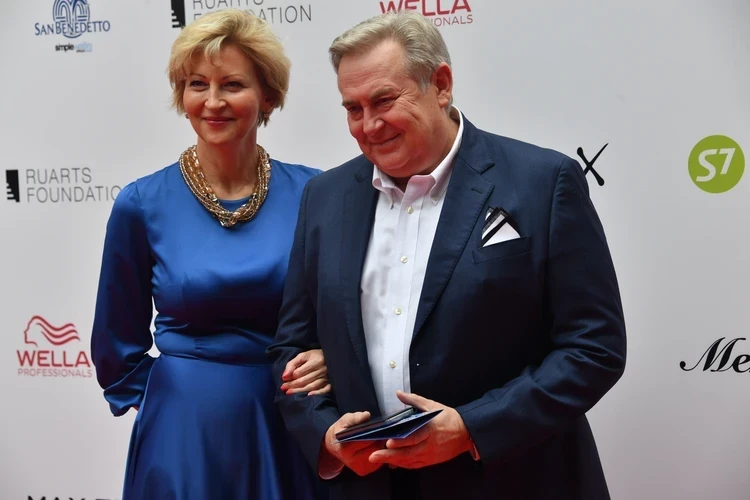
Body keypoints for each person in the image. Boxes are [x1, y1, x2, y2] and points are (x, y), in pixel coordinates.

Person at [268, 11, 626, 500]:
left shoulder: (543, 183)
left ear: (440, 85)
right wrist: (327, 435)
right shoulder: (324, 198)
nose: (369, 125)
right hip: (372, 488)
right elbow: (291, 347)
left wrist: (471, 428)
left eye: (384, 100)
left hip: (515, 482)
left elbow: (594, 347)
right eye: (353, 108)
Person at [91, 9, 329, 500]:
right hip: (184, 433)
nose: (213, 101)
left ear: (268, 96)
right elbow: (116, 347)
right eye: (197, 84)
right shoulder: (142, 203)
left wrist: (332, 361)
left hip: (290, 422)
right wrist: (169, 401)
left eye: (233, 85)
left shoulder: (316, 194)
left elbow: (349, 316)